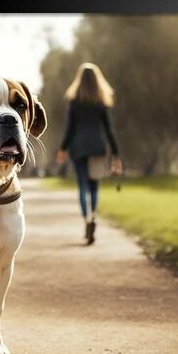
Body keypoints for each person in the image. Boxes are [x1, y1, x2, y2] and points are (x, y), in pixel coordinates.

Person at [56, 62, 123, 245]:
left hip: (78, 148)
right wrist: (116, 154)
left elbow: (69, 129)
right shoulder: (101, 102)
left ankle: (87, 218)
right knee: (94, 186)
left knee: (83, 185)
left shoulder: (75, 102)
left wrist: (62, 149)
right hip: (96, 147)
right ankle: (93, 214)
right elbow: (109, 130)